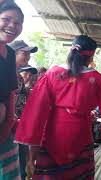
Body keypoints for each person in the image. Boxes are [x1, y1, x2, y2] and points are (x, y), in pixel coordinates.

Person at [15, 35, 101, 179]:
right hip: (80, 135)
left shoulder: (52, 73)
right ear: (91, 57)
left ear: (71, 51)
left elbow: (37, 111)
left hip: (52, 135)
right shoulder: (96, 79)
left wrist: (32, 153)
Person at [0, 2, 24, 180]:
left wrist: (9, 122)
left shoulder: (8, 53)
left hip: (4, 131)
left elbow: (11, 93)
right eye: (6, 19)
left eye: (17, 23)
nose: (11, 26)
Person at [9, 40, 38, 180]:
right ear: (12, 53)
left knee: (19, 162)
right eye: (24, 53)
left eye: (29, 54)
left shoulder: (18, 78)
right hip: (9, 126)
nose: (27, 57)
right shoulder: (6, 73)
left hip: (17, 126)